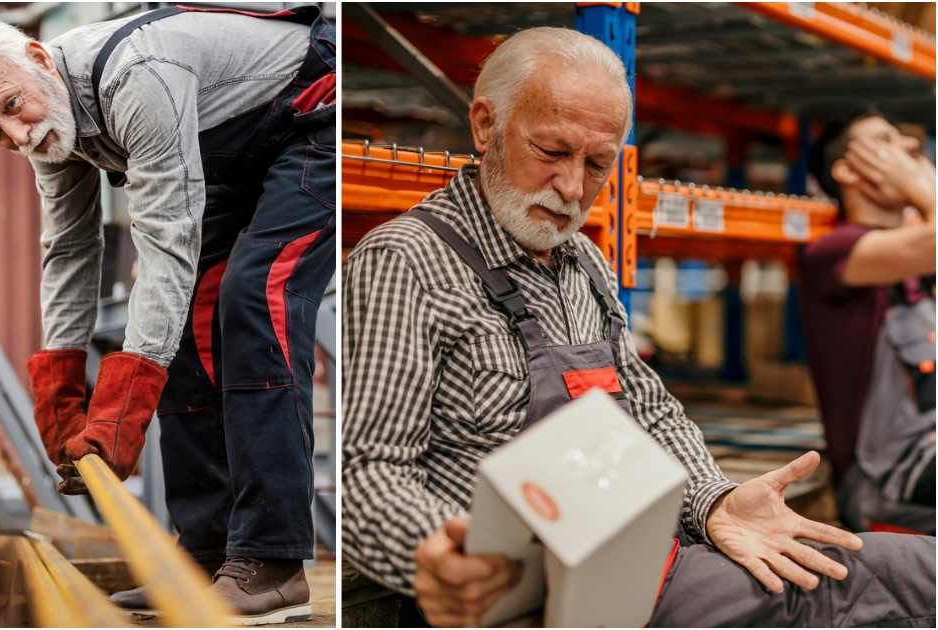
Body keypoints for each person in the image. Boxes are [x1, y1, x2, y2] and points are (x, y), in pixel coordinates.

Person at [342, 27, 935, 627]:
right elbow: (368, 468)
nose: (573, 189)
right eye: (551, 152)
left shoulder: (584, 263)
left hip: (644, 559)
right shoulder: (408, 262)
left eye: (598, 164)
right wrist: (433, 554)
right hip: (547, 600)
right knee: (878, 587)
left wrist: (713, 501)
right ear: (485, 125)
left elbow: (649, 411)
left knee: (908, 570)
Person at [0, 6, 335, 624]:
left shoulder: (137, 75)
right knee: (190, 325)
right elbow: (68, 249)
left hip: (310, 120)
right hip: (227, 153)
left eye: (11, 108)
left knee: (255, 299)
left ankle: (272, 564)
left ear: (39, 60)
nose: (16, 136)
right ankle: (203, 555)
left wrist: (125, 399)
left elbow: (164, 242)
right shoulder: (47, 120)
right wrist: (60, 388)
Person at [801, 111, 936, 534]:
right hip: (887, 479)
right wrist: (922, 188)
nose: (908, 149)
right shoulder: (833, 253)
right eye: (885, 141)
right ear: (847, 170)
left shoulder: (918, 260)